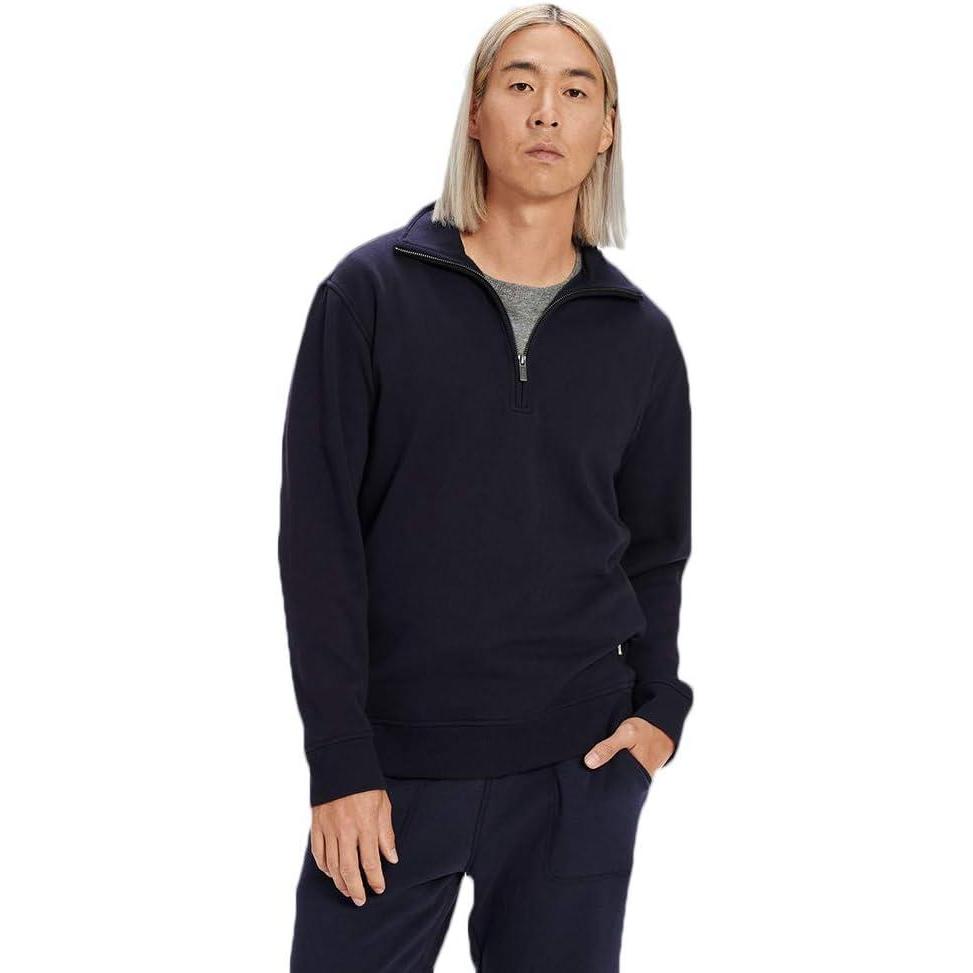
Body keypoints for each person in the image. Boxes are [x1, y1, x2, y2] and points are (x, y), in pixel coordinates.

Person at [277, 6, 693, 970]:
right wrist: (338, 760)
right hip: (390, 772)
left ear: (605, 128)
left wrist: (657, 713)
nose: (546, 110)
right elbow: (318, 543)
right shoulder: (366, 296)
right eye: (519, 83)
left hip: (577, 770)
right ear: (475, 113)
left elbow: (655, 549)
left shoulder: (639, 337)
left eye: (575, 90)